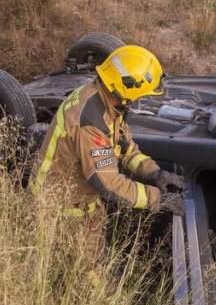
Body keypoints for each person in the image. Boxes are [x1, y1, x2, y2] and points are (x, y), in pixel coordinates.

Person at [28, 45, 186, 217]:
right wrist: (157, 198)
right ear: (127, 90)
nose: (140, 100)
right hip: (60, 210)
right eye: (140, 95)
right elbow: (109, 184)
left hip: (78, 198)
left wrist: (153, 173)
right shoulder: (90, 122)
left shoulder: (105, 98)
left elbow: (124, 147)